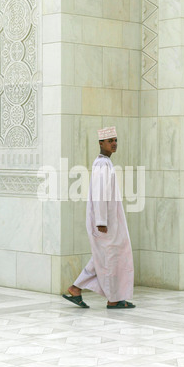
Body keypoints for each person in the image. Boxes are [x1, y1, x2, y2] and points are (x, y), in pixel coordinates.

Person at [63, 126, 135, 309]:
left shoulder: (105, 163)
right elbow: (100, 194)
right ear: (101, 143)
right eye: (110, 141)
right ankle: (113, 299)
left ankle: (75, 288)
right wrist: (101, 221)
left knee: (105, 257)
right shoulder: (102, 164)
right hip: (105, 223)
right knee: (111, 257)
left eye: (115, 140)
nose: (114, 144)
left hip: (110, 221)